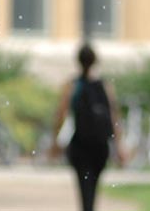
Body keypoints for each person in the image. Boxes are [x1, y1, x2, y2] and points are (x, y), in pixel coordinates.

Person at [50, 44, 126, 211]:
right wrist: (119, 147)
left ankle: (87, 207)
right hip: (100, 145)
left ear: (78, 61)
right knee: (94, 185)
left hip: (80, 144)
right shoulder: (105, 86)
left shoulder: (72, 85)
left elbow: (61, 114)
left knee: (84, 185)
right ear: (95, 61)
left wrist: (55, 143)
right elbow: (114, 117)